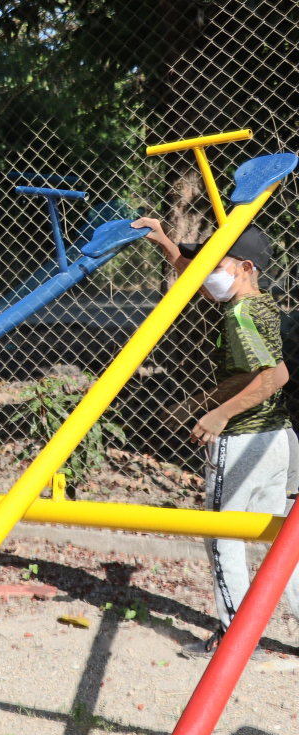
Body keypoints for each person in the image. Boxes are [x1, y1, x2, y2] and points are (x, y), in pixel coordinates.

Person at [133, 218, 298, 657]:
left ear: (244, 266)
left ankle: (235, 639)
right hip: (277, 438)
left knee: (223, 536)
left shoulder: (242, 315)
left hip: (243, 438)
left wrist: (219, 415)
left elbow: (275, 375)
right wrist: (167, 243)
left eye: (216, 260)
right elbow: (204, 286)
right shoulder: (260, 304)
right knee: (280, 542)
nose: (208, 269)